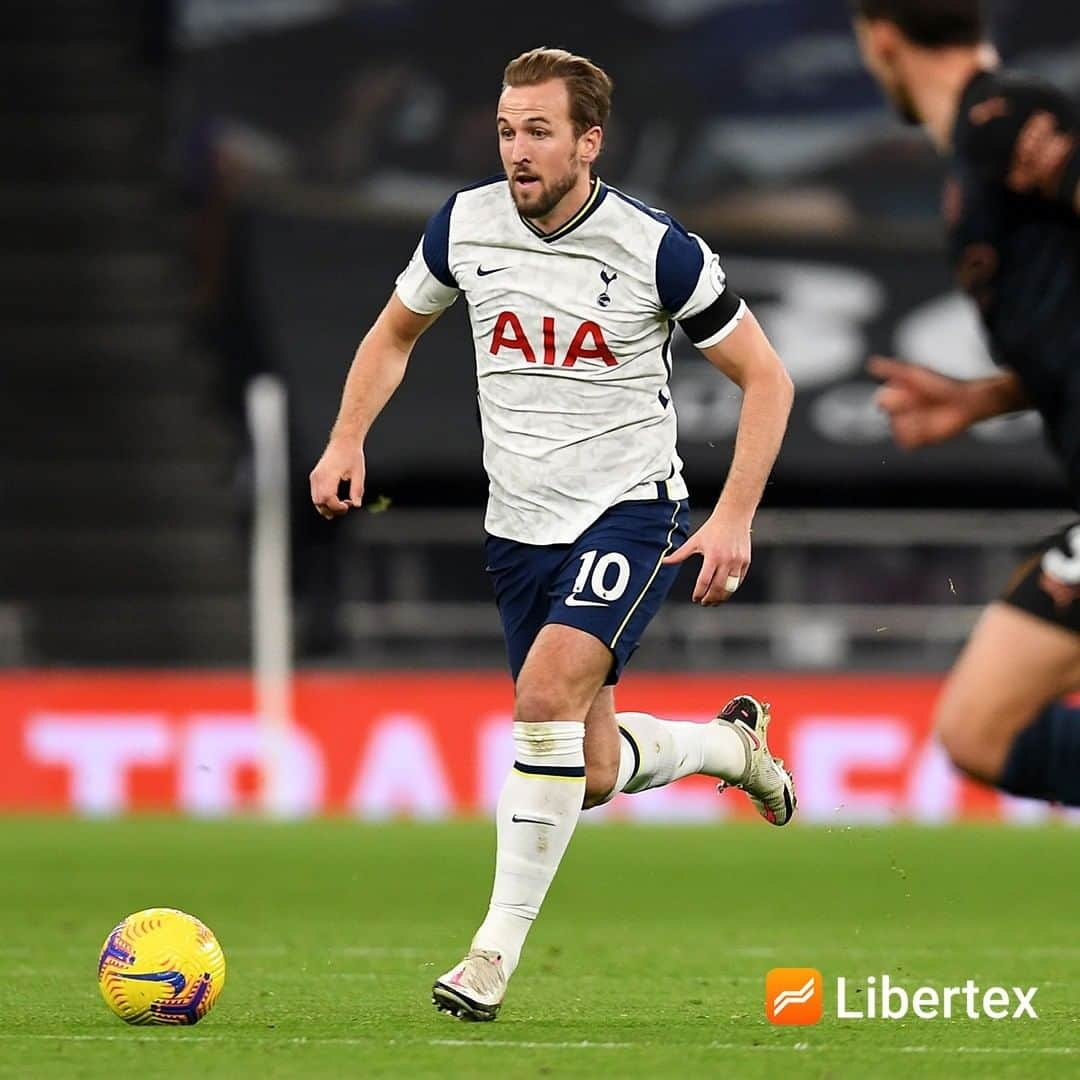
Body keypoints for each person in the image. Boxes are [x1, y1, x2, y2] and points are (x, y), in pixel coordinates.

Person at [309, 47, 795, 1022]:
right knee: (594, 767)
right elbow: (393, 333)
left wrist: (733, 515)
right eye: (505, 129)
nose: (517, 151)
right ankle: (730, 748)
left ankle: (490, 954)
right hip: (519, 528)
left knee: (542, 695)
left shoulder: (657, 249)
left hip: (628, 507)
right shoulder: (466, 224)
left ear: (588, 140)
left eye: (538, 131)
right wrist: (346, 437)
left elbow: (768, 378)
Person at [851, 1, 1080, 807]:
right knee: (981, 727)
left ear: (879, 39)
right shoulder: (977, 165)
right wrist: (978, 402)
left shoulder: (1003, 116)